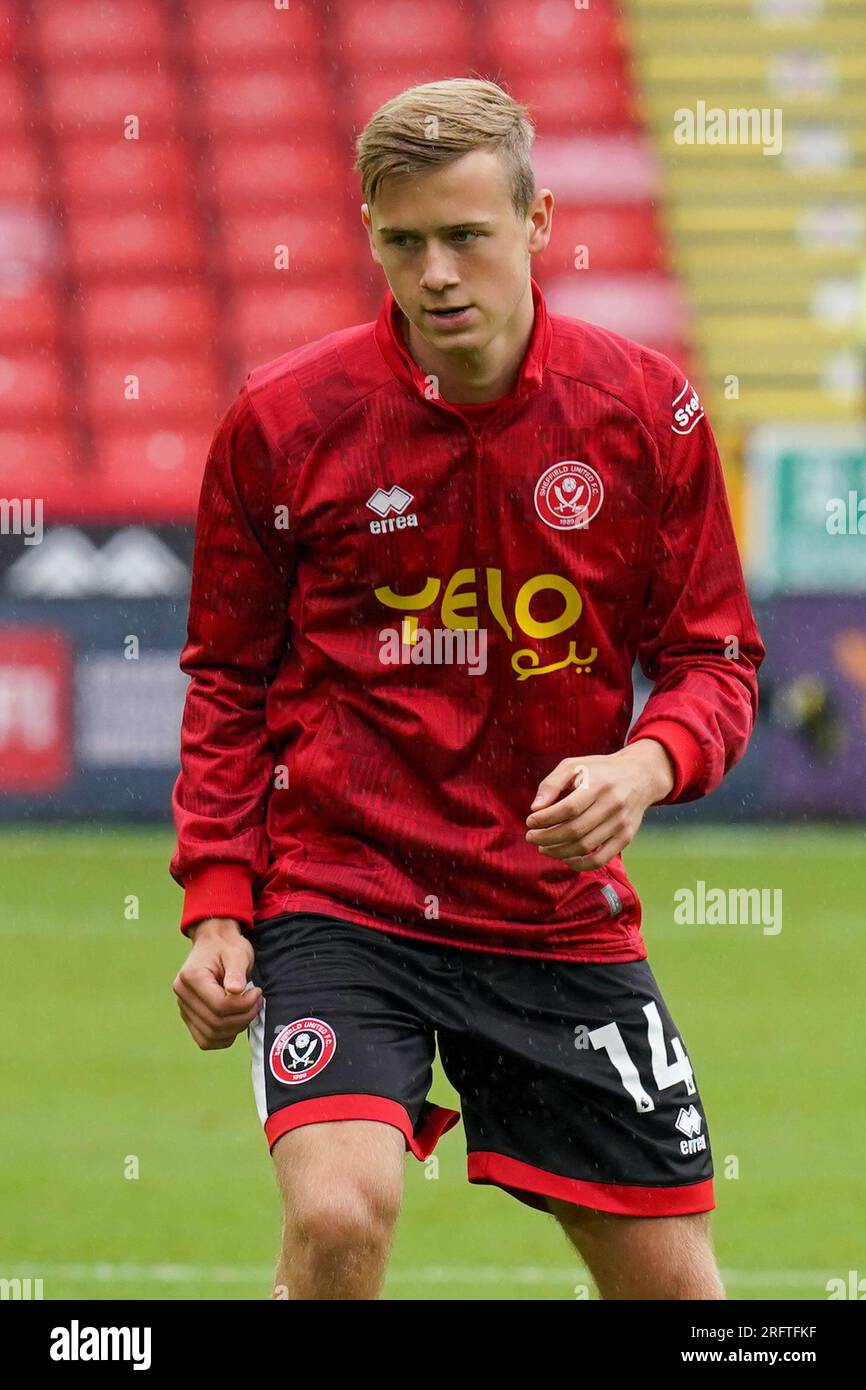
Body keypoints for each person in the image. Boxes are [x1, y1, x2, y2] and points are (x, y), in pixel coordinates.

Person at [170, 78, 765, 1301]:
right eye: (402, 242)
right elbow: (228, 679)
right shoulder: (283, 422)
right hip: (344, 889)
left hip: (549, 910)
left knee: (680, 1298)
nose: (435, 272)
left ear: (538, 222)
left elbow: (714, 658)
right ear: (369, 236)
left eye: (465, 235)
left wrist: (640, 766)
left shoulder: (647, 414)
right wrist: (220, 904)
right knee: (339, 1218)